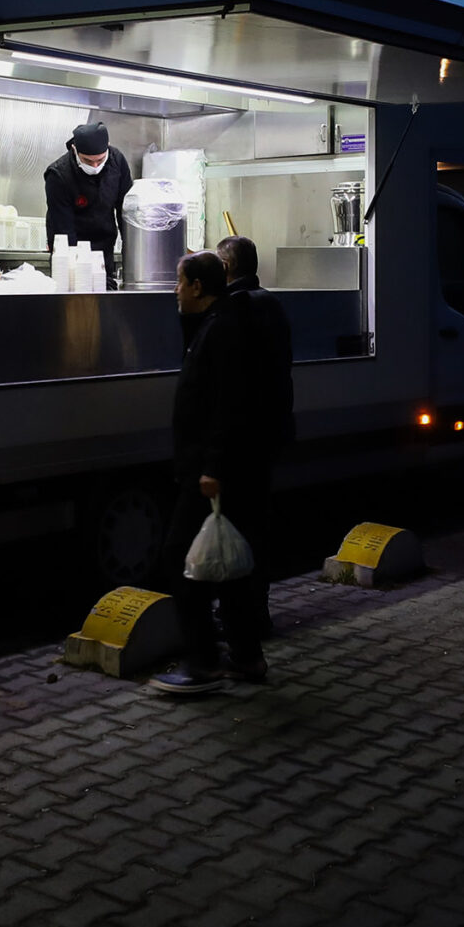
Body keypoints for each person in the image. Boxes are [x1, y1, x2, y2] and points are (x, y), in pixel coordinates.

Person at [147, 251, 282, 695]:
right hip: (219, 465)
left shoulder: (223, 330)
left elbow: (229, 404)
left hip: (212, 470)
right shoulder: (218, 323)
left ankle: (202, 661)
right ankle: (245, 657)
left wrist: (213, 467)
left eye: (180, 282)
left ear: (199, 288)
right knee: (232, 571)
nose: (175, 289)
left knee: (179, 556)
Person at [213, 235, 297, 452]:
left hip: (242, 432)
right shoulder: (272, 302)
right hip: (274, 423)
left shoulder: (231, 307)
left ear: (224, 266)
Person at [42, 121, 134, 285]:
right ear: (74, 149)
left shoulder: (117, 161)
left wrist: (132, 262)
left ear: (108, 147)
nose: (95, 166)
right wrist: (77, 272)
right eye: (88, 161)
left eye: (100, 160)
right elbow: (63, 231)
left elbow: (126, 214)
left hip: (104, 250)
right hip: (70, 252)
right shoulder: (58, 176)